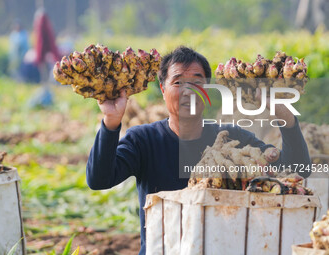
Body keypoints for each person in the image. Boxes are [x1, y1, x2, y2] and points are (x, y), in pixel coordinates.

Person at [86, 46, 311, 255]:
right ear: (163, 89)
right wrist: (111, 120)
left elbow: (296, 169)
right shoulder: (143, 140)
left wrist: (286, 117)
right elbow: (99, 179)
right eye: (178, 82)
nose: (188, 90)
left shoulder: (234, 139)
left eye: (197, 81)